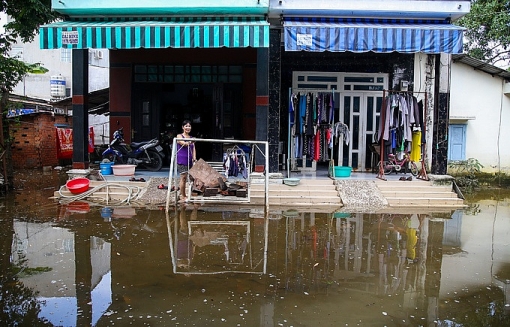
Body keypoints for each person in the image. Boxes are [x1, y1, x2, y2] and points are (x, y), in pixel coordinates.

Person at [176, 120, 196, 202]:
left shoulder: (191, 138)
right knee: (183, 177)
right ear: (183, 127)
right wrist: (190, 142)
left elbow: (193, 148)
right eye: (186, 126)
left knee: (192, 177)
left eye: (189, 126)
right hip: (182, 159)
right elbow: (183, 143)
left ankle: (191, 193)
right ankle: (183, 196)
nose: (188, 127)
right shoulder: (179, 136)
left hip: (190, 159)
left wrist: (194, 158)